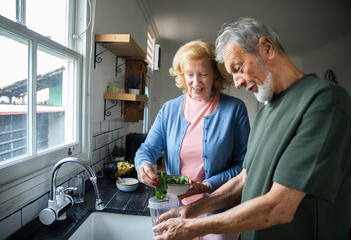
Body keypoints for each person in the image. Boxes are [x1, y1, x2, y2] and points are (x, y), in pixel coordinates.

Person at [152, 17, 351, 240]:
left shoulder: (323, 101)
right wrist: (189, 212)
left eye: (238, 68)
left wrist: (195, 227)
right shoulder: (268, 110)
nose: (236, 82)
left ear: (266, 48)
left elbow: (279, 206)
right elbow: (243, 179)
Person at [134, 40, 250, 209]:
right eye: (189, 74)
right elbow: (148, 149)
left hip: (218, 207)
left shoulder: (234, 109)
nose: (195, 82)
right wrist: (143, 164)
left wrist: (207, 186)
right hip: (177, 207)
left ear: (216, 74)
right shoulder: (169, 109)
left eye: (203, 74)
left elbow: (243, 165)